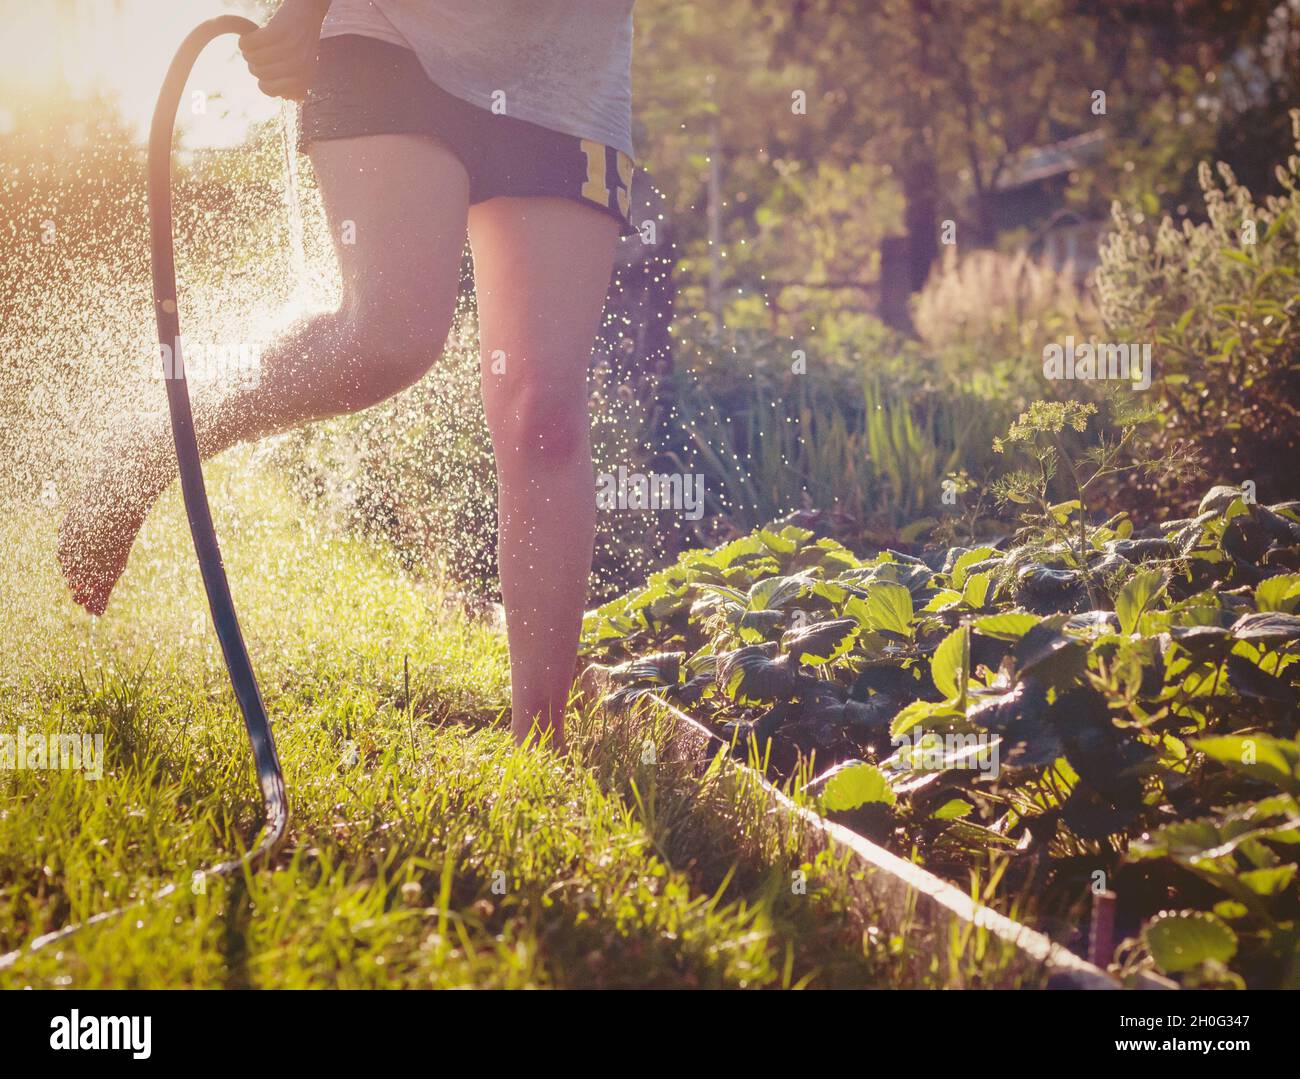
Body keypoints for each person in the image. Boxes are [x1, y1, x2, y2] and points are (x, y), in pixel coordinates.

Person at [57, 0, 637, 752]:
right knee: (385, 338)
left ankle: (542, 743)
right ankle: (151, 451)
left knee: (544, 410)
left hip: (567, 77)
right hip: (389, 35)